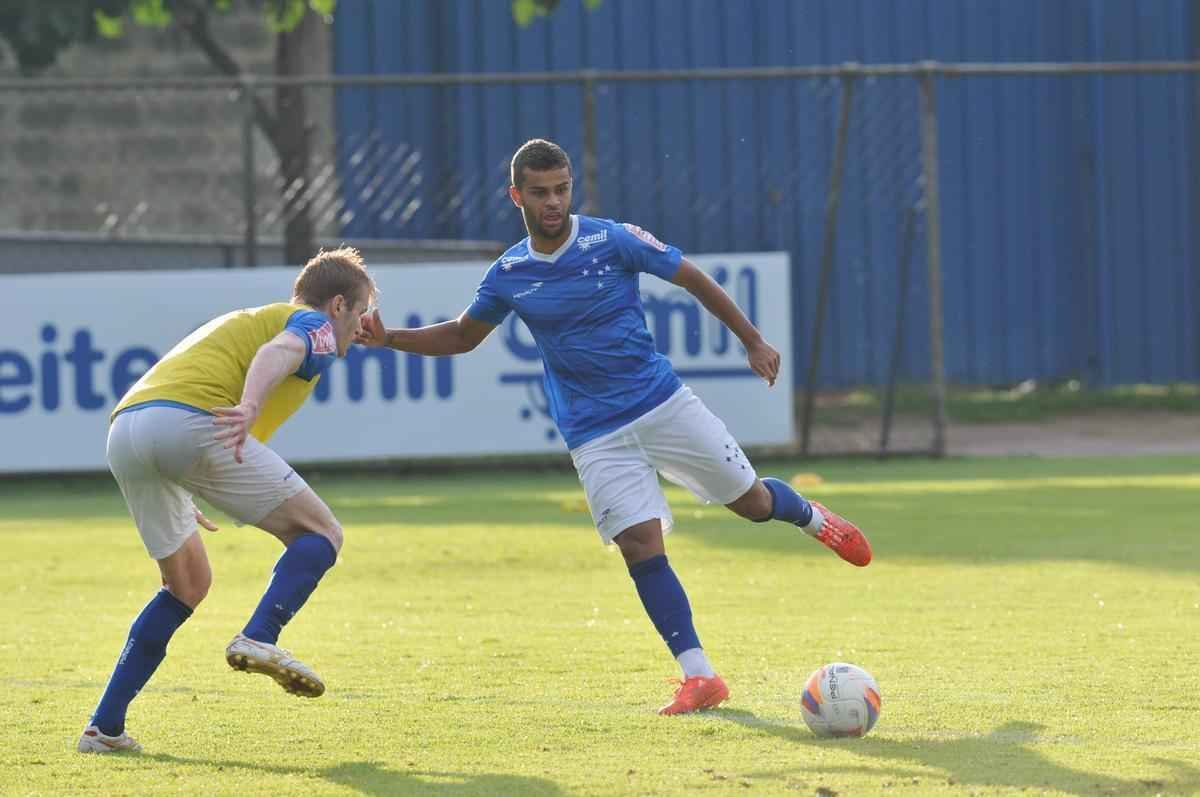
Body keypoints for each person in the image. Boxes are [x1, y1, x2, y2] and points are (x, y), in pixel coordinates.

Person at [355, 139, 872, 716]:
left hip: (662, 404)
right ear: (515, 195)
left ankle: (812, 517)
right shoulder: (509, 274)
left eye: (562, 190)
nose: (553, 203)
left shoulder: (611, 239)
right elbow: (461, 336)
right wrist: (390, 337)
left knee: (750, 504)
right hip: (593, 431)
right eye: (540, 193)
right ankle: (700, 675)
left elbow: (691, 277)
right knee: (638, 543)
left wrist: (751, 339)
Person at [77, 247, 376, 753]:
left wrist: (180, 473)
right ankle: (259, 635)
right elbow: (278, 354)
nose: (362, 328)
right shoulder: (315, 325)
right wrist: (250, 404)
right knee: (323, 534)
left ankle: (103, 729)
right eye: (362, 313)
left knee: (187, 583)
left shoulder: (256, 317)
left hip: (128, 428)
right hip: (191, 422)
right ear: (340, 304)